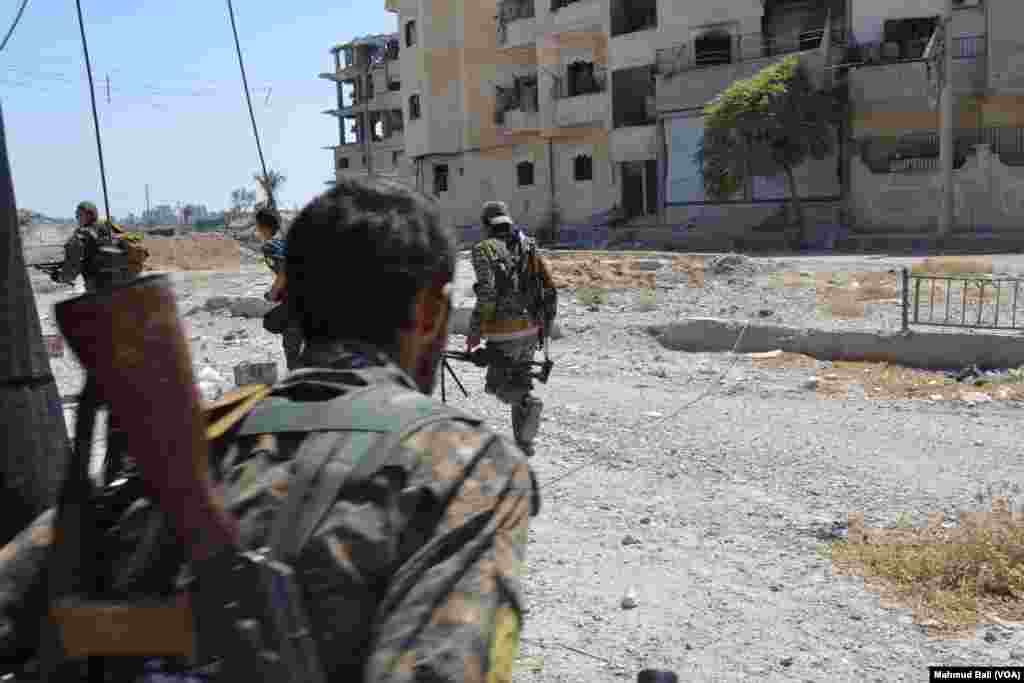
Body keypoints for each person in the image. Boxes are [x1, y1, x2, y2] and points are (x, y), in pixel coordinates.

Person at [467, 201, 555, 457]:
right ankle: (524, 444)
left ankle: (526, 402)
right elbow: (547, 286)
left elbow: (487, 293)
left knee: (497, 386)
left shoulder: (483, 249)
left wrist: (475, 331)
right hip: (531, 329)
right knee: (521, 381)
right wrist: (544, 328)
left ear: (486, 226)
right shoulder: (529, 245)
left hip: (503, 331)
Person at [254, 207, 304, 371]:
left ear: (262, 228)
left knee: (274, 322)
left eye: (257, 227)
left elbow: (284, 272)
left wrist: (273, 294)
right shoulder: (285, 242)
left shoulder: (270, 246)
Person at [56, 200, 134, 292]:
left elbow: (71, 270)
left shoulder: (82, 234)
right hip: (125, 282)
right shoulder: (109, 226)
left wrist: (59, 277)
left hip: (98, 287)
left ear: (89, 215)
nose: (76, 217)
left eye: (79, 214)